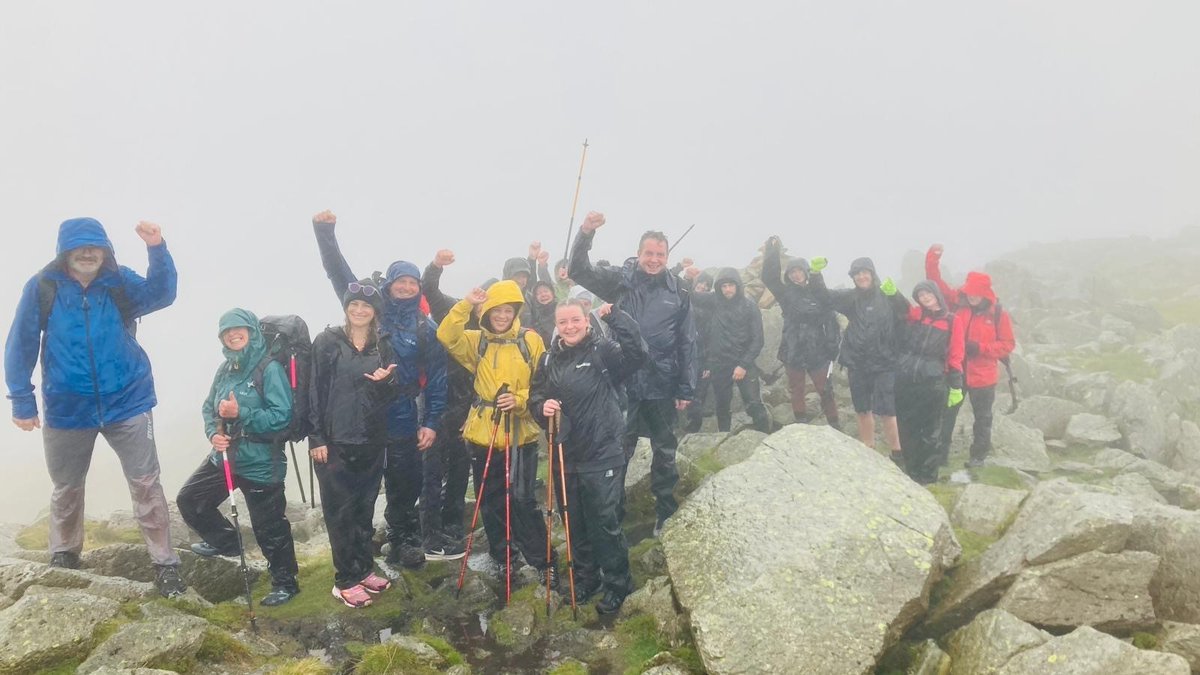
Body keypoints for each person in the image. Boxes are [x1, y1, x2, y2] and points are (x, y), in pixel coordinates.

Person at [5, 218, 186, 597]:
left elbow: (162, 293)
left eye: (94, 246)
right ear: (65, 253)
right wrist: (21, 399)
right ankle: (65, 556)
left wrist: (157, 248)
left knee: (146, 484)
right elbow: (20, 341)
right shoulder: (44, 287)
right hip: (67, 407)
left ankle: (165, 564)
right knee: (67, 487)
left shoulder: (119, 282)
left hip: (128, 399)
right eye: (79, 247)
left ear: (105, 250)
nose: (88, 253)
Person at [311, 211, 455, 567]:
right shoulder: (371, 309)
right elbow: (338, 273)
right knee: (361, 486)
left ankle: (402, 539)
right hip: (362, 417)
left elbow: (437, 378)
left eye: (412, 283)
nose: (406, 288)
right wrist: (325, 231)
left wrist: (432, 422)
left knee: (406, 481)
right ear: (388, 284)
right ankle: (357, 553)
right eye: (400, 282)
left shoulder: (426, 328)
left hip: (405, 413)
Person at [568, 211, 697, 536]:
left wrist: (686, 387)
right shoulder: (618, 280)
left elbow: (688, 341)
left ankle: (665, 512)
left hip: (663, 385)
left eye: (660, 255)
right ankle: (615, 517)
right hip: (623, 382)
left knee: (665, 451)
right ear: (639, 254)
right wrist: (586, 233)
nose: (654, 260)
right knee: (617, 453)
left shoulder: (679, 291)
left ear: (668, 257)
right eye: (649, 254)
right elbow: (578, 269)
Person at [436, 280, 558, 584]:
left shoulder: (531, 341)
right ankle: (503, 556)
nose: (502, 316)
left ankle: (543, 562)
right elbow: (446, 335)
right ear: (486, 312)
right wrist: (466, 303)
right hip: (484, 432)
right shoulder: (477, 341)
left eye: (507, 310)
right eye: (496, 310)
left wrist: (519, 400)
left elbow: (544, 381)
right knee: (488, 499)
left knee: (522, 499)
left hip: (521, 431)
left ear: (515, 310)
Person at [530, 300, 647, 614]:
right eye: (563, 322)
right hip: (565, 453)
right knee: (574, 520)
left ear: (586, 321)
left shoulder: (603, 350)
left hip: (604, 451)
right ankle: (586, 578)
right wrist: (542, 407)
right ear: (557, 325)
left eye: (575, 320)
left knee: (604, 522)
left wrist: (618, 317)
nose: (570, 327)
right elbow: (535, 396)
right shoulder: (548, 360)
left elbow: (638, 354)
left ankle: (618, 584)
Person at [177, 309, 300, 606]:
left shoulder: (268, 369)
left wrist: (240, 413)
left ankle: (285, 583)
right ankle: (228, 543)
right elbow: (209, 408)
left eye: (239, 329)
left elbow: (282, 417)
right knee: (190, 499)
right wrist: (212, 434)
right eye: (227, 331)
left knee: (269, 527)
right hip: (226, 457)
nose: (233, 335)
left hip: (260, 462)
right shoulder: (225, 369)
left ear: (252, 331)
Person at [308, 279, 400, 608]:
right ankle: (344, 580)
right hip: (334, 443)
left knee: (364, 508)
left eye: (366, 306)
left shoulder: (383, 344)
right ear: (346, 308)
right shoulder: (327, 342)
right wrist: (316, 436)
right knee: (340, 511)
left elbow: (392, 392)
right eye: (354, 305)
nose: (359, 310)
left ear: (375, 312)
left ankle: (363, 570)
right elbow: (313, 391)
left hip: (372, 440)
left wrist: (387, 382)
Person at [925, 245, 1015, 467]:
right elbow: (936, 284)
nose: (972, 296)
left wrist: (981, 348)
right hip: (956, 372)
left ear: (985, 293)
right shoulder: (958, 302)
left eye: (977, 293)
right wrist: (932, 258)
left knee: (982, 419)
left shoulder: (998, 314)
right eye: (970, 292)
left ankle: (978, 457)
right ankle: (941, 455)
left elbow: (1007, 345)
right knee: (946, 415)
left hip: (983, 377)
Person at [812, 256, 903, 460]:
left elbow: (905, 312)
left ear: (872, 274)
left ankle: (897, 453)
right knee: (862, 408)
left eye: (865, 272)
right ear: (853, 278)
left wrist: (896, 295)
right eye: (857, 274)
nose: (861, 277)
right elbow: (824, 297)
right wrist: (815, 275)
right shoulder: (851, 298)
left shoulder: (886, 295)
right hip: (857, 361)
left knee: (888, 411)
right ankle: (868, 450)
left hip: (884, 362)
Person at [761, 236, 841, 427]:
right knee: (796, 389)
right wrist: (773, 252)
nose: (796, 275)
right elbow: (769, 278)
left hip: (819, 350)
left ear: (806, 272)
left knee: (825, 390)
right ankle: (801, 425)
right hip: (793, 349)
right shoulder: (786, 294)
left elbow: (831, 320)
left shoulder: (819, 291)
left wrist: (832, 347)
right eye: (792, 272)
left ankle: (835, 426)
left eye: (799, 271)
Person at [891, 283, 964, 484]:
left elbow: (956, 354)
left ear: (937, 294)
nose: (925, 297)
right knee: (906, 428)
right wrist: (894, 293)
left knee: (930, 431)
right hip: (906, 380)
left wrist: (956, 386)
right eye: (921, 295)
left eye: (928, 293)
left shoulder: (952, 321)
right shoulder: (916, 315)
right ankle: (911, 472)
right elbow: (900, 307)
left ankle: (928, 476)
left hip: (932, 383)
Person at [689, 268, 771, 433]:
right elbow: (690, 296)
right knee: (722, 407)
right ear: (719, 287)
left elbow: (758, 340)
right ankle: (723, 438)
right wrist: (685, 277)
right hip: (719, 364)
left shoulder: (749, 306)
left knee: (753, 404)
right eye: (724, 286)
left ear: (738, 285)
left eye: (731, 285)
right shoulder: (714, 301)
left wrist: (743, 365)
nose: (727, 289)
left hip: (744, 364)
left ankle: (765, 437)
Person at [682, 270, 714, 433]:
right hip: (683, 354)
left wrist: (709, 364)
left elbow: (712, 338)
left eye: (707, 285)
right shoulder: (685, 299)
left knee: (698, 394)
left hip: (701, 356)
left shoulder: (711, 307)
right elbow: (680, 289)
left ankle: (694, 427)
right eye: (701, 283)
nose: (703, 287)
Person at [528, 279, 558, 347]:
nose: (543, 295)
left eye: (546, 291)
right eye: (539, 293)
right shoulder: (534, 317)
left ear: (552, 293)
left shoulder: (562, 310)